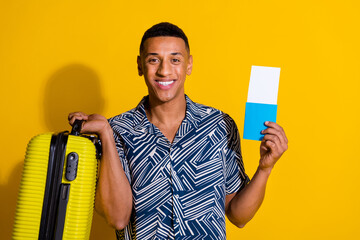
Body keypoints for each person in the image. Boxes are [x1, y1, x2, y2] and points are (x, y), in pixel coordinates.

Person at [68, 22, 288, 240]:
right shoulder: (118, 130)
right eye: (154, 60)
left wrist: (265, 168)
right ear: (139, 65)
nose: (164, 71)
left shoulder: (220, 125)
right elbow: (117, 218)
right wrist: (105, 133)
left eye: (175, 60)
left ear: (189, 65)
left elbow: (238, 216)